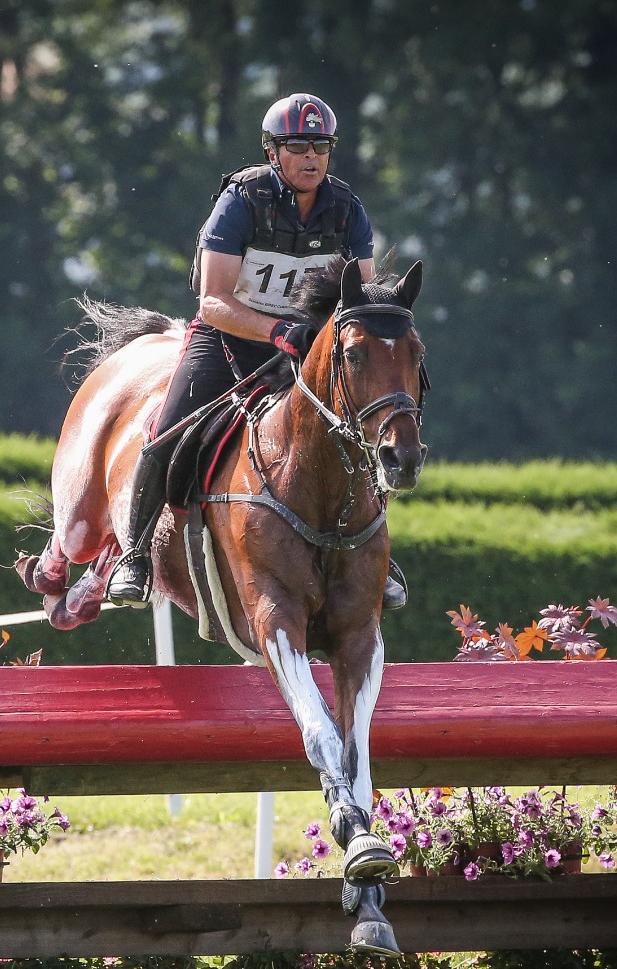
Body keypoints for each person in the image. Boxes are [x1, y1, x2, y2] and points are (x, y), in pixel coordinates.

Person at [106, 92, 409, 610]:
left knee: (359, 430)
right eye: (297, 146)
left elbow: (359, 299)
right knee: (166, 432)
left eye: (321, 146)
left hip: (305, 352)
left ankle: (377, 555)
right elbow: (213, 300)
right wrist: (275, 331)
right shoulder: (241, 201)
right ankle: (133, 555)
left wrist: (328, 340)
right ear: (273, 152)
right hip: (227, 343)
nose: (311, 157)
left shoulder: (347, 210)